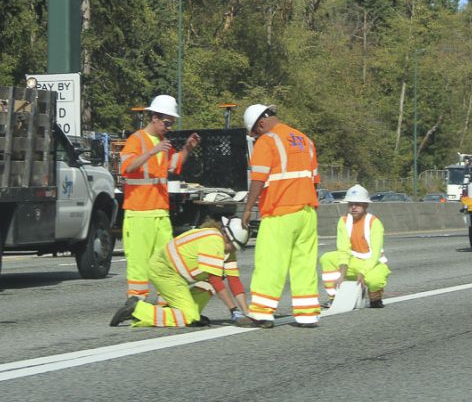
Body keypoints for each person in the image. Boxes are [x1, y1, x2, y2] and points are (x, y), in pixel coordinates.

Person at [235, 104, 321, 329]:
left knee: (270, 262)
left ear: (260, 124)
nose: (256, 137)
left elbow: (258, 179)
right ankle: (307, 314)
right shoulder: (305, 140)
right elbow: (314, 180)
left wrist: (247, 209)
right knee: (304, 263)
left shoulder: (268, 141)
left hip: (280, 212)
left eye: (255, 132)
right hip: (307, 212)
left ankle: (262, 313)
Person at [119, 95, 200, 300]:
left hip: (160, 212)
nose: (169, 127)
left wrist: (187, 149)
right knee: (139, 262)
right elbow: (126, 168)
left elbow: (173, 165)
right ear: (154, 118)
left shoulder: (164, 142)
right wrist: (152, 151)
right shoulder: (136, 139)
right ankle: (136, 301)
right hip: (139, 214)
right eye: (166, 122)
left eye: (171, 123)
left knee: (166, 260)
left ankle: (167, 301)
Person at [110, 216, 249, 327]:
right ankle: (138, 310)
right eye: (233, 247)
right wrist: (234, 311)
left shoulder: (225, 247)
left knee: (209, 286)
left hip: (175, 274)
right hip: (165, 271)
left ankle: (175, 311)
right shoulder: (213, 241)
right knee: (189, 317)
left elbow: (234, 281)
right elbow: (215, 280)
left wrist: (246, 312)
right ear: (226, 235)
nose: (234, 251)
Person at [320, 184, 390, 308]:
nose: (353, 207)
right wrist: (341, 274)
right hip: (353, 261)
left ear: (365, 205)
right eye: (350, 204)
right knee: (327, 258)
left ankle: (375, 297)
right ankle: (334, 297)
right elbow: (343, 249)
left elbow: (375, 254)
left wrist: (362, 272)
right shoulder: (344, 221)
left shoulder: (374, 222)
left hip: (373, 263)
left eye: (357, 204)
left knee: (375, 280)